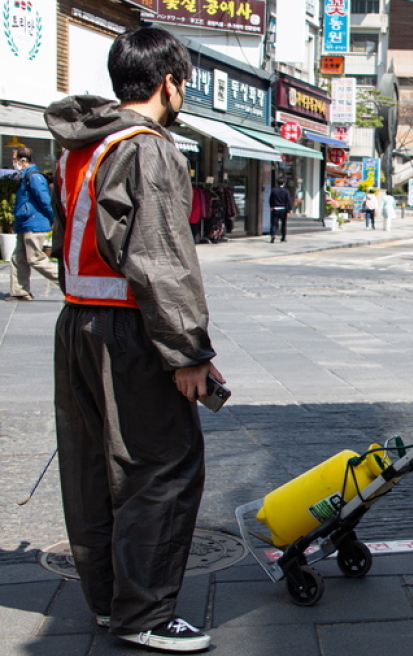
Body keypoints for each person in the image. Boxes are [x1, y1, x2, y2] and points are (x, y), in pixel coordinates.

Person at [45, 26, 224, 653]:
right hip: (131, 331)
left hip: (78, 322)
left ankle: (107, 600)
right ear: (169, 81)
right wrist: (188, 352)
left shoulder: (80, 145)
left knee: (94, 467)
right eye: (184, 83)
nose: (184, 95)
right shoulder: (150, 148)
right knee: (161, 467)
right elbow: (162, 259)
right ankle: (144, 613)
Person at [7, 147, 60, 301]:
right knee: (18, 258)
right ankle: (20, 291)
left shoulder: (34, 177)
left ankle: (68, 283)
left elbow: (44, 200)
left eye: (15, 159)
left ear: (24, 161)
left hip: (34, 223)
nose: (13, 162)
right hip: (25, 223)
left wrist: (52, 219)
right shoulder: (24, 177)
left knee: (36, 259)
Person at [269, 178, 292, 243]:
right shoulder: (286, 191)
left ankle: (273, 235)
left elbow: (271, 199)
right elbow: (288, 200)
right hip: (283, 209)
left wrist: (271, 206)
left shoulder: (274, 190)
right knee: (283, 224)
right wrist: (290, 209)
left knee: (274, 223)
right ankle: (283, 238)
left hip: (275, 208)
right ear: (283, 183)